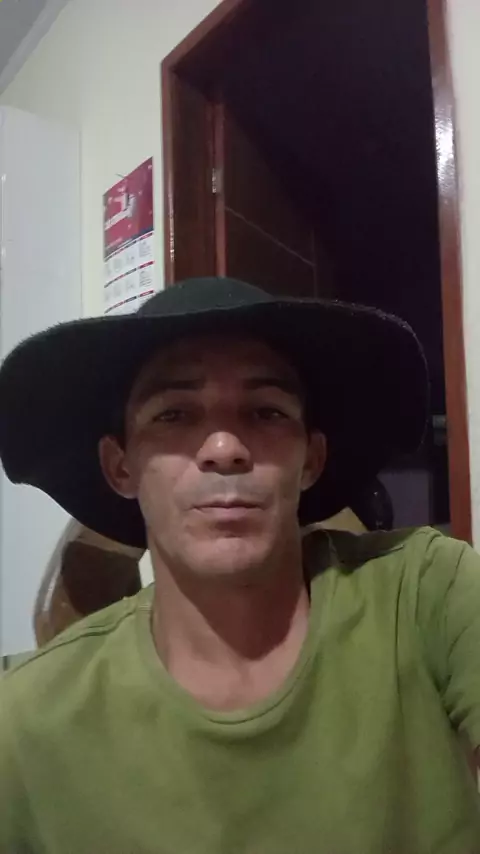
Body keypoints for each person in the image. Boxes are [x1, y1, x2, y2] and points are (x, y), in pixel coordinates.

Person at [0, 276, 479, 853]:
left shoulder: (426, 594)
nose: (225, 448)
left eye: (266, 412)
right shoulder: (27, 720)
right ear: (121, 466)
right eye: (174, 414)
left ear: (311, 459)